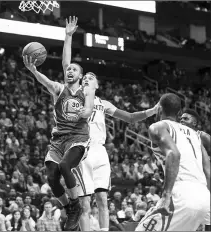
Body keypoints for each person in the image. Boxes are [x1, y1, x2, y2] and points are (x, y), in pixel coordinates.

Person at [62, 16, 159, 231]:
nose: (86, 77)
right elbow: (67, 65)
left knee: (103, 200)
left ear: (97, 84)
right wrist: (68, 37)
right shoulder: (75, 94)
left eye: (91, 76)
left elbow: (131, 118)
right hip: (81, 150)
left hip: (100, 151)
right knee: (85, 203)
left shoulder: (103, 103)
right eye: (84, 76)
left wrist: (151, 111)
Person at [23, 16, 96, 230]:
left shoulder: (86, 91)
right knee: (51, 176)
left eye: (75, 69)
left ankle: (76, 205)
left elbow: (89, 108)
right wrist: (34, 71)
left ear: (81, 76)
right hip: (58, 140)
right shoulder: (58, 89)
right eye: (69, 69)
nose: (70, 70)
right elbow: (48, 75)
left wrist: (86, 111)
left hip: (78, 138)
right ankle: (70, 207)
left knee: (65, 166)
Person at [135, 93, 210, 231]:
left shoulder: (158, 127)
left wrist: (165, 196)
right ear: (179, 112)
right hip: (204, 196)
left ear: (159, 109)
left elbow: (174, 154)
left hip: (182, 194)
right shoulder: (195, 135)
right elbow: (208, 171)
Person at [180, 108, 210, 231]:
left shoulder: (201, 136)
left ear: (195, 123)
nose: (181, 120)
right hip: (187, 183)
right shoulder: (179, 136)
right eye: (180, 118)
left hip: (204, 183)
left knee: (207, 220)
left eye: (185, 118)